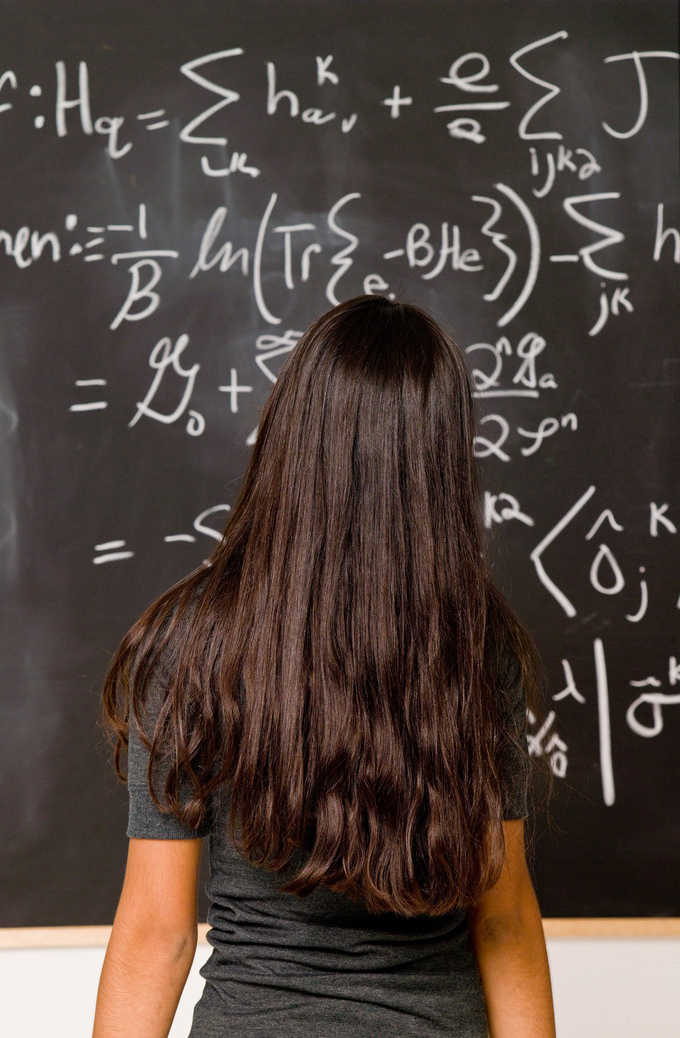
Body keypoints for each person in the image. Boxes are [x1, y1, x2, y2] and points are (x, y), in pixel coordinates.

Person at [93, 296, 556, 1038]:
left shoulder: (189, 641)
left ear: (291, 435)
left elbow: (158, 932)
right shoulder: (474, 642)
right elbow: (504, 921)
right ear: (436, 469)